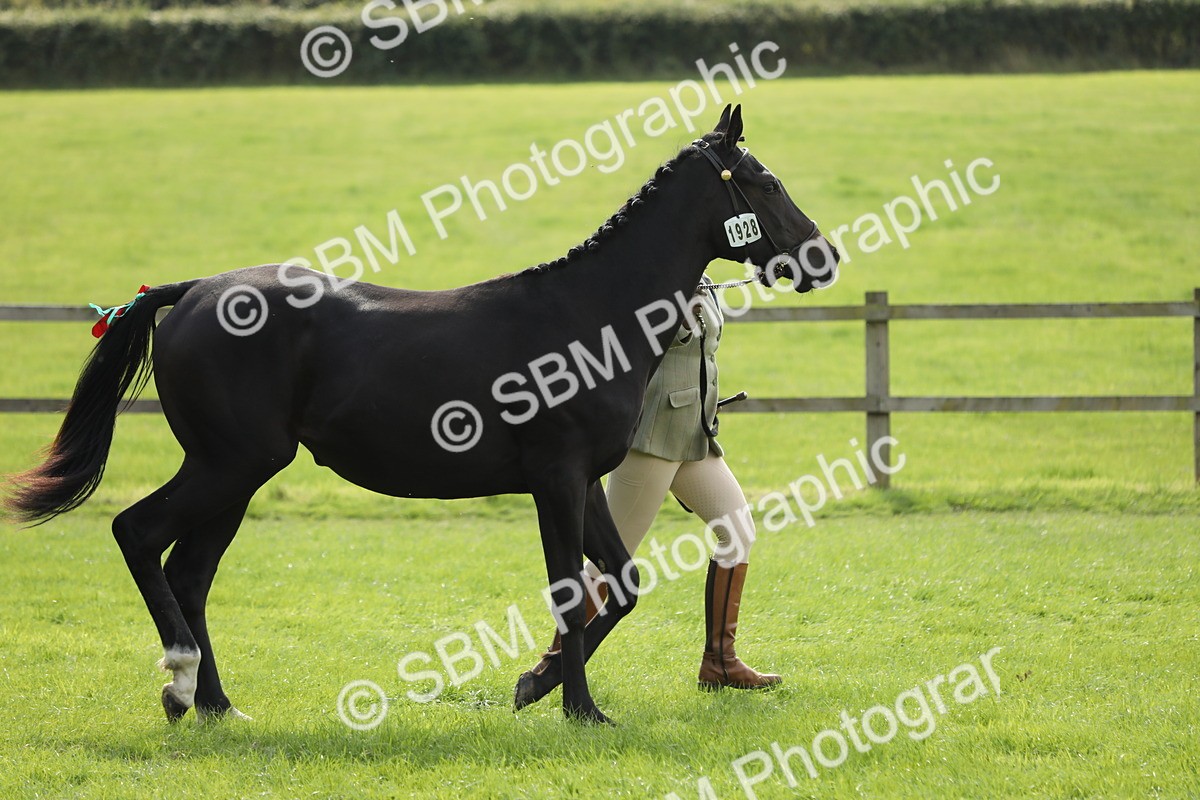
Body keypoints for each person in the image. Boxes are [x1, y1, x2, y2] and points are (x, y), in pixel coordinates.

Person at [517, 275, 781, 697]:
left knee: (737, 530)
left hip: (693, 435)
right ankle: (554, 664)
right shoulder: (646, 283)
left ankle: (720, 662)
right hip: (651, 439)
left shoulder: (703, 281)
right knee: (609, 561)